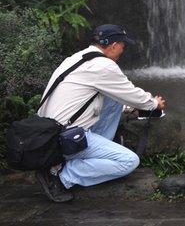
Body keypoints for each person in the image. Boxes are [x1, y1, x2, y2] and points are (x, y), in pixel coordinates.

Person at [34, 24, 166, 203]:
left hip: (48, 136)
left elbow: (116, 96)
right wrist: (154, 104)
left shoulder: (76, 58)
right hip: (66, 140)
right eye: (123, 46)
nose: (122, 51)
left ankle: (71, 161)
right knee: (129, 161)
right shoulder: (104, 66)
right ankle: (60, 175)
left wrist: (129, 108)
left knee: (114, 98)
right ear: (113, 46)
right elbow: (134, 94)